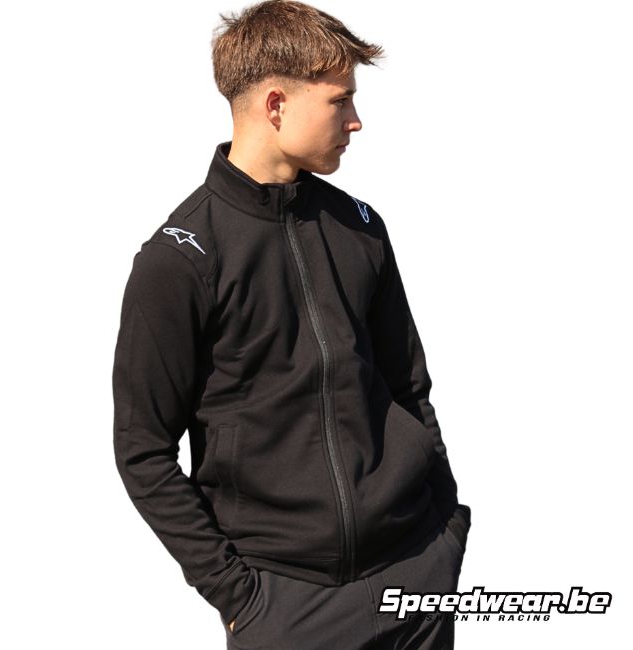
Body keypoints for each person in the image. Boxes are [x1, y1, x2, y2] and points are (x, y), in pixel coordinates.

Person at [112, 1, 471, 648]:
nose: (356, 121)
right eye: (340, 100)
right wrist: (239, 596)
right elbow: (143, 451)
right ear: (275, 105)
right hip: (287, 604)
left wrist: (446, 530)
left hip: (416, 571)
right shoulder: (180, 260)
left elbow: (408, 386)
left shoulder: (359, 227)